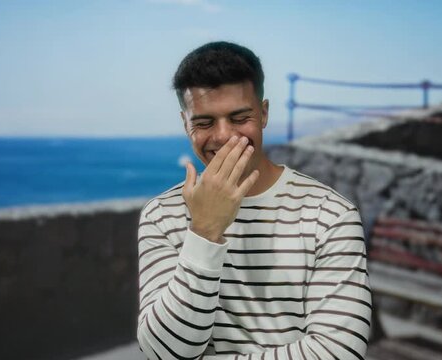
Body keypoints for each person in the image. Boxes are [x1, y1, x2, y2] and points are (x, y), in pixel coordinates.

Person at [137, 41, 371, 359]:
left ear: (263, 113)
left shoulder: (331, 216)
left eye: (239, 117)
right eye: (204, 123)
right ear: (185, 123)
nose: (223, 136)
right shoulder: (161, 215)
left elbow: (338, 352)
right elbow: (163, 351)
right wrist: (204, 231)